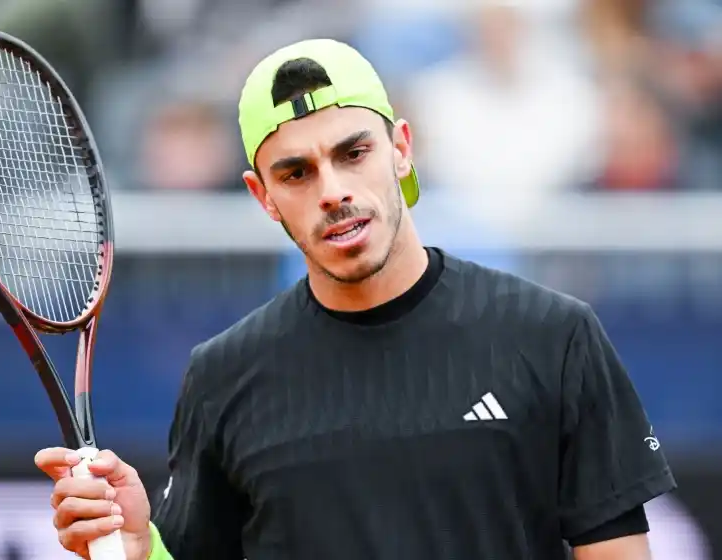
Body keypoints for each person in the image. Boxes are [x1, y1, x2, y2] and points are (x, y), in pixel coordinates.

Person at [35, 38, 677, 560]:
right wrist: (138, 550)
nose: (332, 190)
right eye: (296, 172)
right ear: (263, 197)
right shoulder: (223, 376)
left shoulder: (553, 336)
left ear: (401, 149)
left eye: (353, 152)